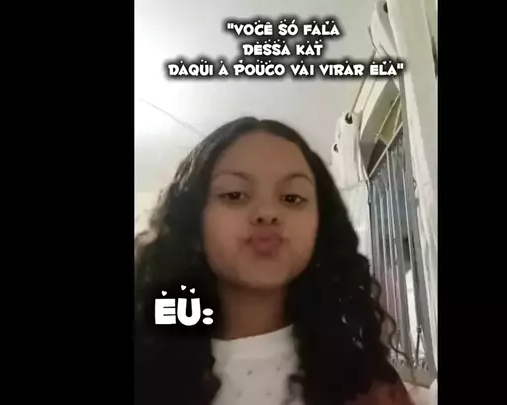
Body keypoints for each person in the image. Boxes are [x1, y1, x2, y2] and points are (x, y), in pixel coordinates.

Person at [134, 117, 417, 405]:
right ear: (192, 222)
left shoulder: (369, 386)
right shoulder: (144, 368)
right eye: (235, 195)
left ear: (319, 227)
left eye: (292, 198)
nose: (268, 213)